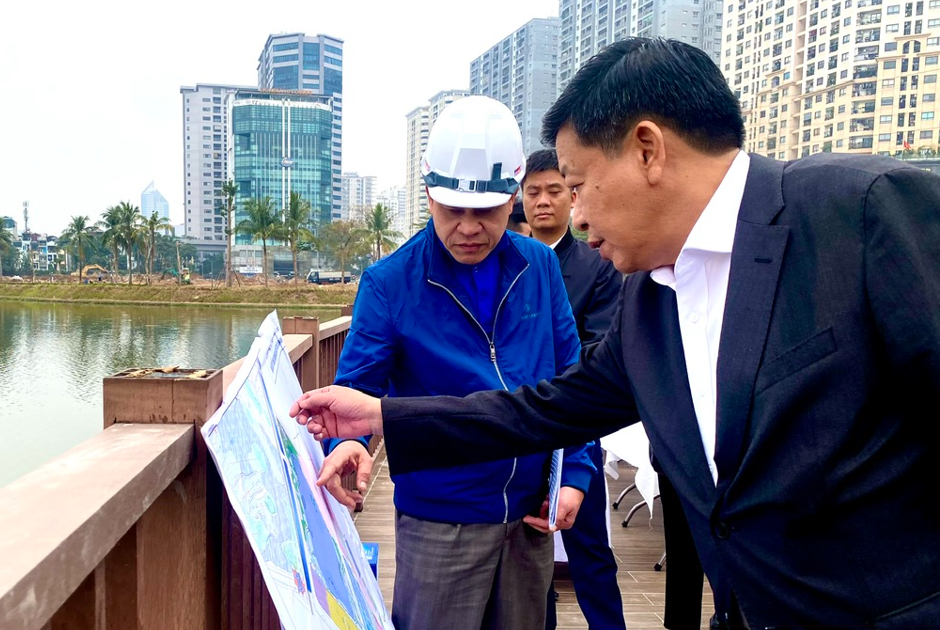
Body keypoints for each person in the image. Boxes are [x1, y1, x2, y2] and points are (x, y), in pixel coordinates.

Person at [290, 37, 940, 630]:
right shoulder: (651, 304)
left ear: (648, 150)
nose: (571, 215)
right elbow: (548, 408)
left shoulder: (860, 213)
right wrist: (380, 416)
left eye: (575, 186)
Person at [315, 94, 598, 630]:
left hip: (531, 516)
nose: (469, 227)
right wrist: (347, 442)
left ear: (512, 196)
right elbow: (356, 386)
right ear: (427, 194)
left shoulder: (539, 266)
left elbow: (572, 380)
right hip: (439, 521)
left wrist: (577, 473)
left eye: (487, 210)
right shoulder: (389, 283)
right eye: (452, 209)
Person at [522, 148, 626, 630]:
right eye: (532, 192)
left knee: (590, 550)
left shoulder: (597, 264)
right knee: (527, 552)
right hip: (518, 426)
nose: (542, 201)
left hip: (575, 425)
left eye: (554, 190)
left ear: (571, 196)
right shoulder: (505, 263)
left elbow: (599, 348)